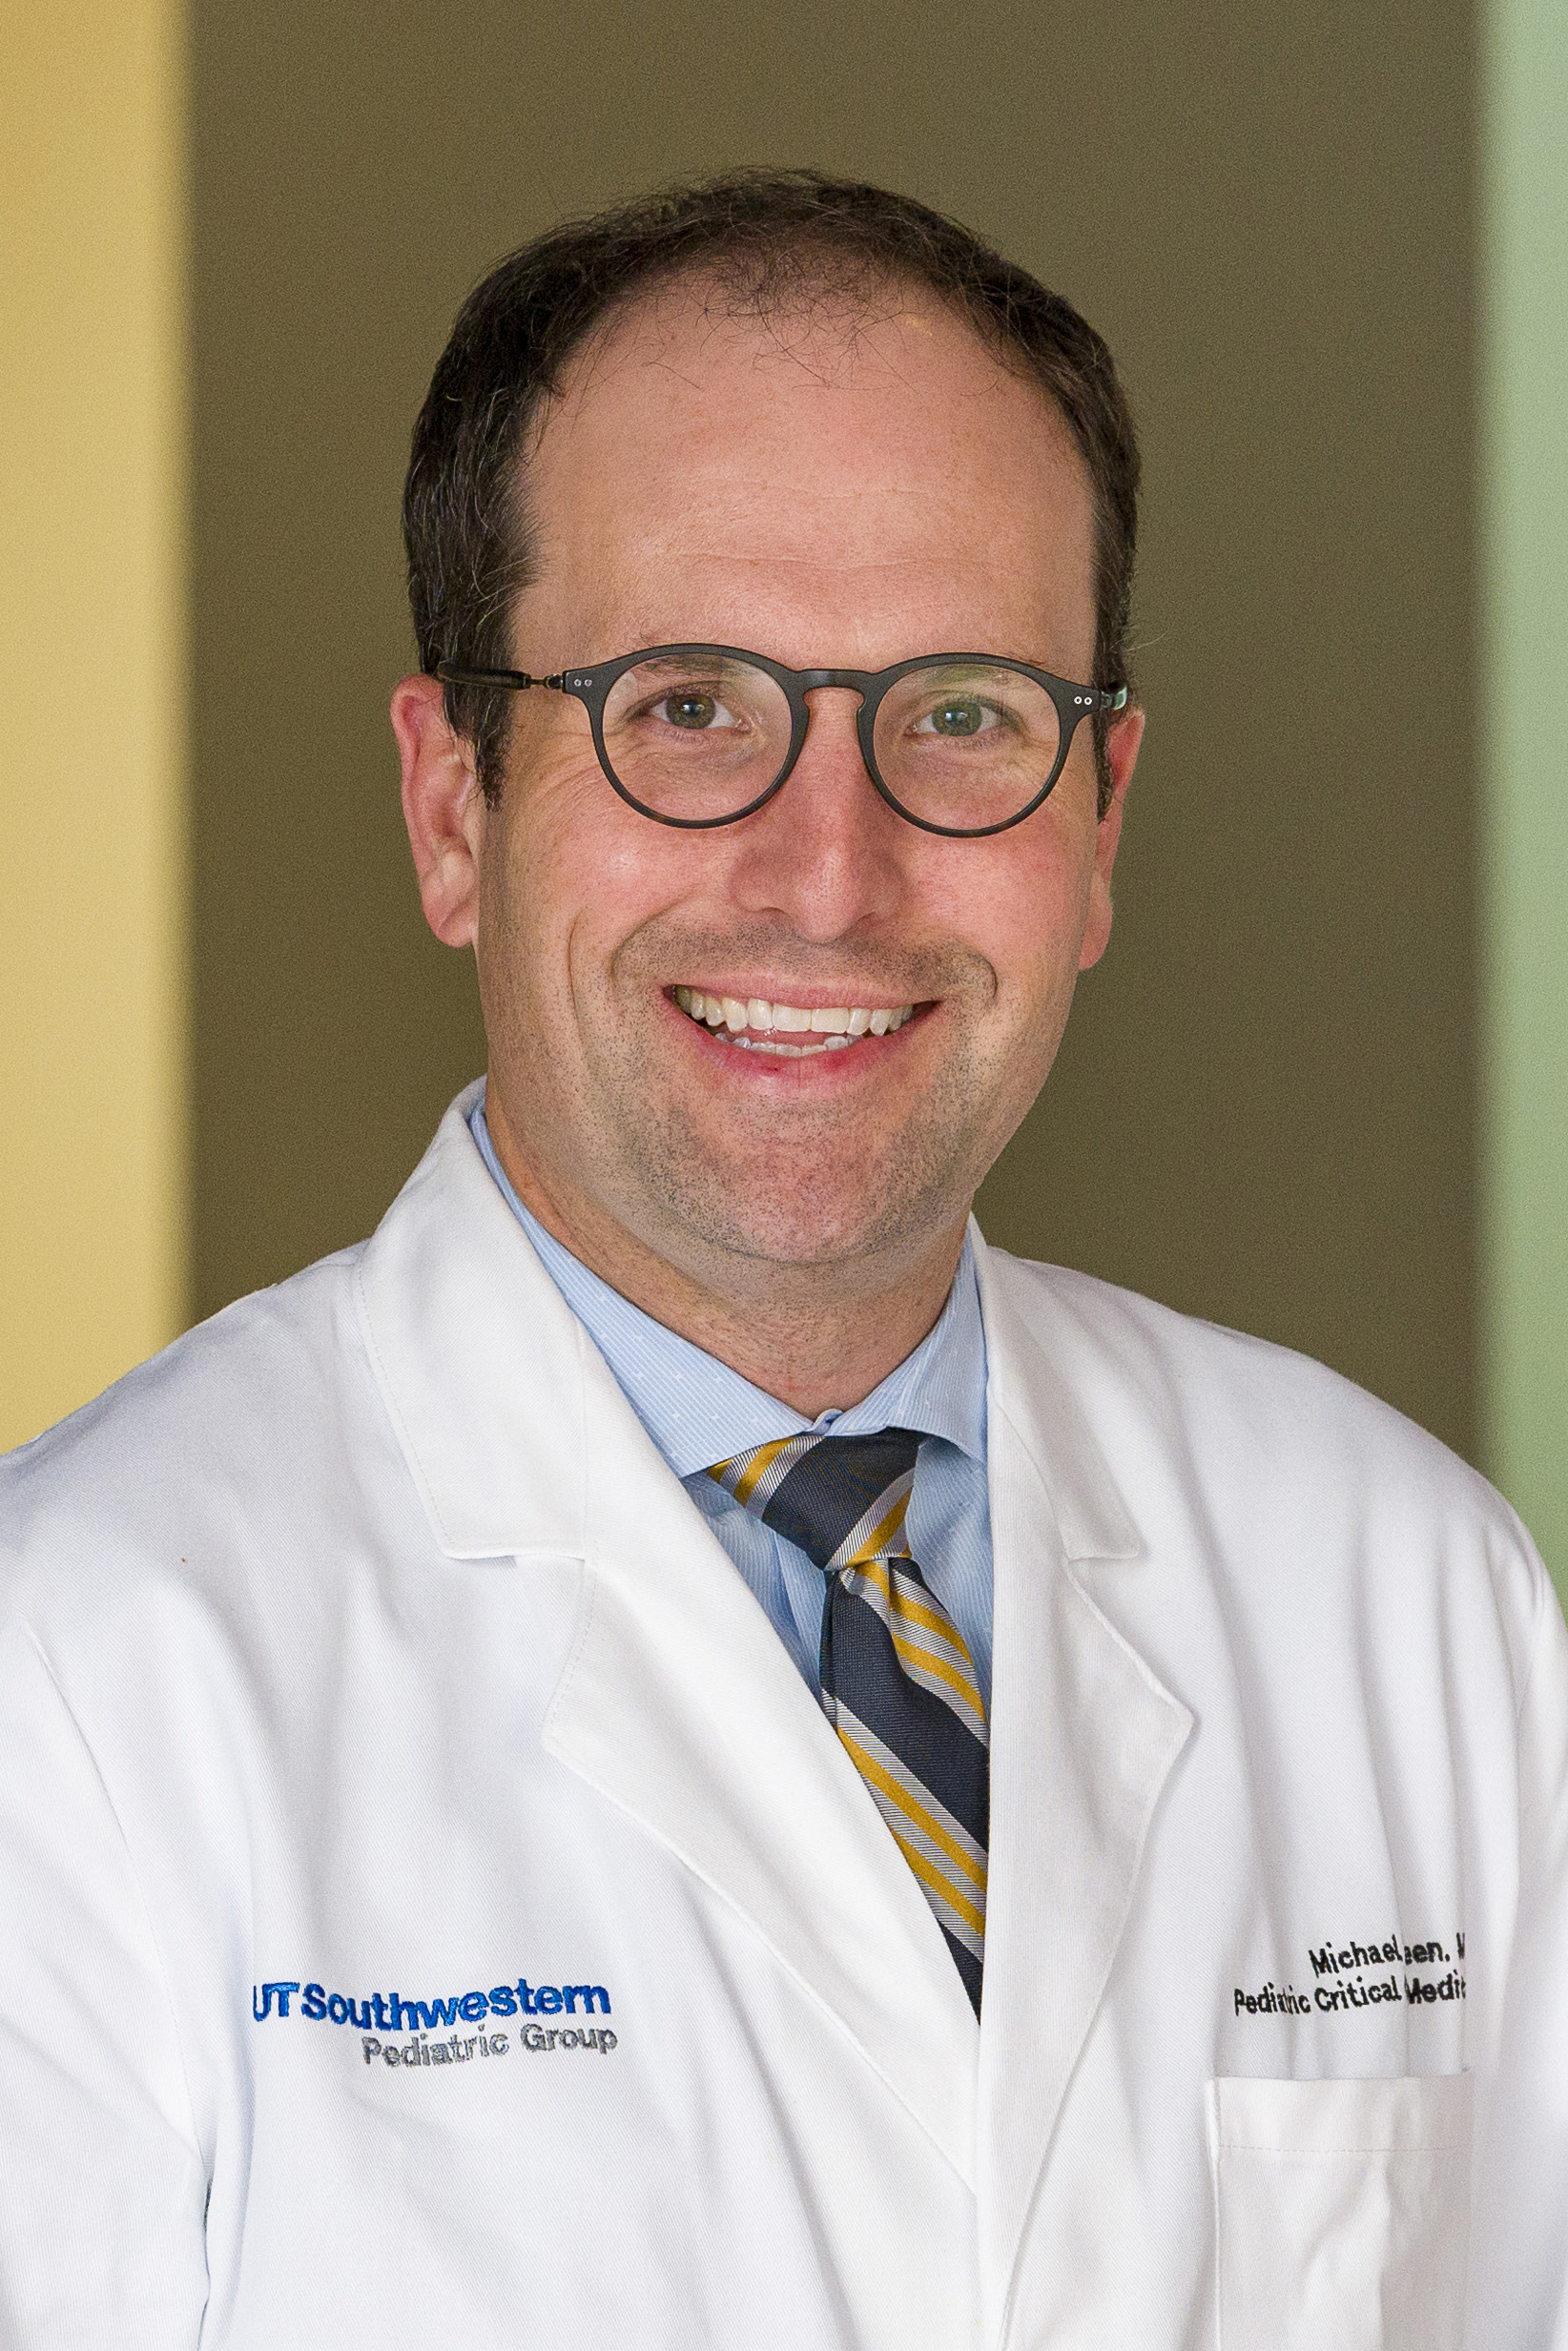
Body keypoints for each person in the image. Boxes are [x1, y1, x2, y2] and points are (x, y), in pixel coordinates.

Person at [1, 169, 1563, 2351]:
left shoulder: (1417, 1598)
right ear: (458, 806)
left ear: (1100, 825)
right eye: (690, 703)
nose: (829, 877)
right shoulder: (71, 1678)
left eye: (961, 716)